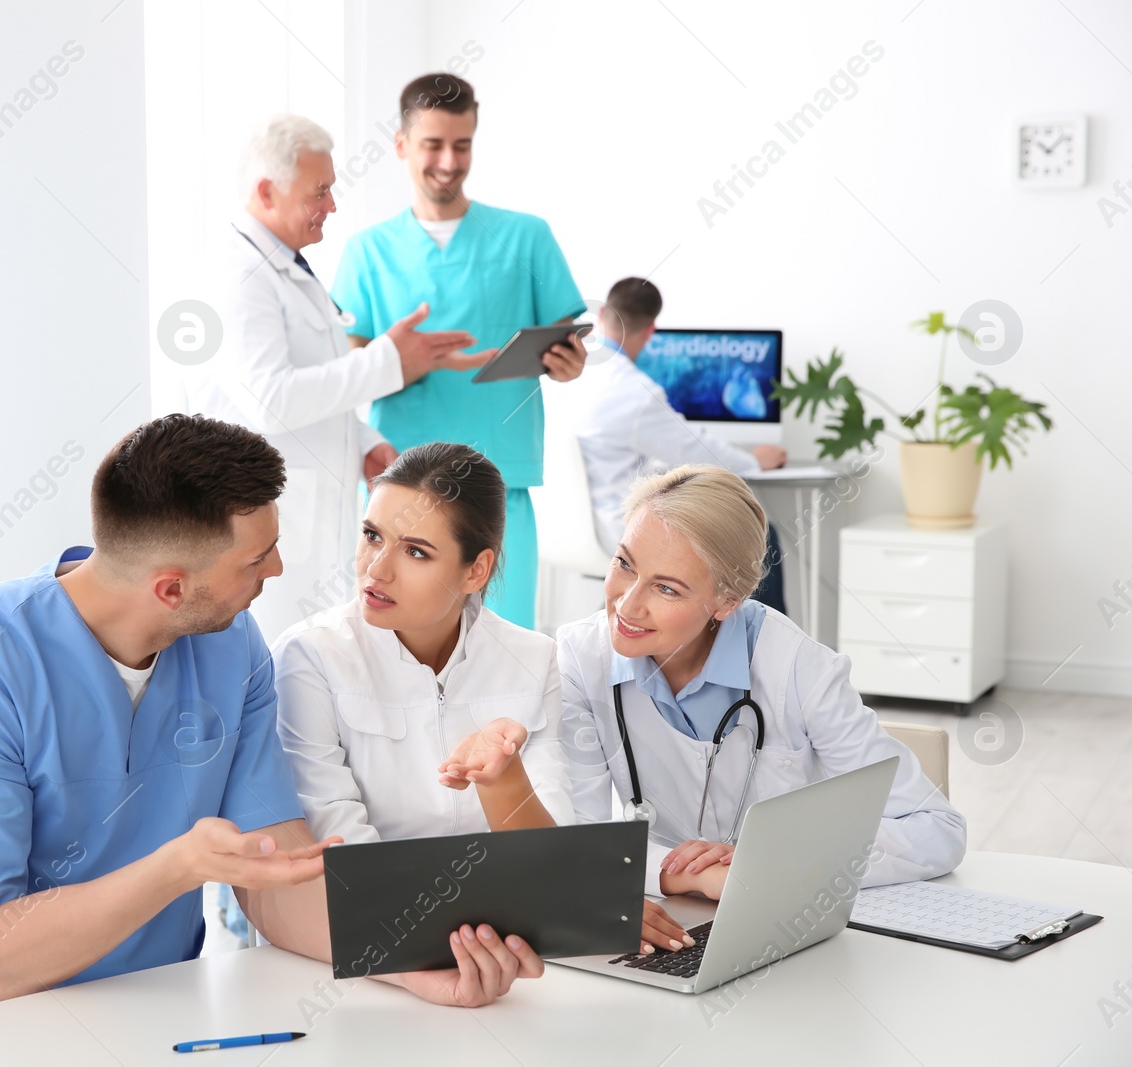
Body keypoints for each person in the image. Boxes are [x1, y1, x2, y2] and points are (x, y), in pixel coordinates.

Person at [0, 415, 543, 1037]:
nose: (277, 568)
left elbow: (279, 878)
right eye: (255, 560)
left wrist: (403, 961)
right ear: (170, 589)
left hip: (158, 1010)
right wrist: (178, 866)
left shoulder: (231, 648)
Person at [555, 464, 966, 955]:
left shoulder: (798, 669)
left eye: (667, 588)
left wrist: (771, 859)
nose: (628, 603)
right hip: (675, 927)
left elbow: (937, 830)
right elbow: (575, 841)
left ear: (727, 601)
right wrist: (685, 876)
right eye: (624, 563)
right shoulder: (580, 658)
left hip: (795, 928)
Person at [193, 114, 485, 643]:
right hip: (266, 514)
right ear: (266, 191)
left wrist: (364, 444)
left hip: (310, 506)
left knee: (316, 655)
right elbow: (271, 401)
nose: (331, 205)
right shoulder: (243, 275)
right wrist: (390, 361)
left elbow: (314, 387)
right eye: (320, 191)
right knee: (274, 658)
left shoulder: (290, 267)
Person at [333, 73, 589, 630]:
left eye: (462, 144)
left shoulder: (527, 237)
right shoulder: (366, 252)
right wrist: (409, 361)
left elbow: (562, 345)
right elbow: (348, 376)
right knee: (394, 645)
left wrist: (569, 366)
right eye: (433, 144)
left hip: (499, 478)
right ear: (401, 145)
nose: (449, 161)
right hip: (400, 486)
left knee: (506, 641)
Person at [272, 443, 576, 843]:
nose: (376, 569)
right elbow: (340, 846)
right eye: (372, 535)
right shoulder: (310, 656)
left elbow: (553, 852)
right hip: (373, 902)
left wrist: (506, 779)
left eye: (416, 552)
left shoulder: (534, 659)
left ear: (476, 571)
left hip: (504, 901)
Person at [562, 277, 789, 612]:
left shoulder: (566, 377)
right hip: (616, 530)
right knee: (762, 534)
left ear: (603, 316)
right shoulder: (634, 391)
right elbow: (696, 450)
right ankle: (764, 656)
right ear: (651, 330)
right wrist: (754, 462)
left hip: (562, 527)